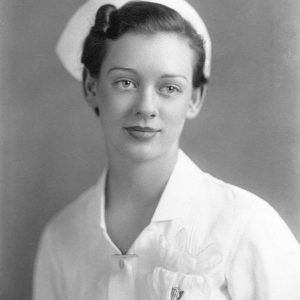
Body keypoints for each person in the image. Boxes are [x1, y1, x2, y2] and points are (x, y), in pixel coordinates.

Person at [33, 0, 300, 299]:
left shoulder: (247, 226)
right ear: (91, 88)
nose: (146, 107)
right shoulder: (61, 239)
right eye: (125, 82)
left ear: (195, 98)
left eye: (169, 88)